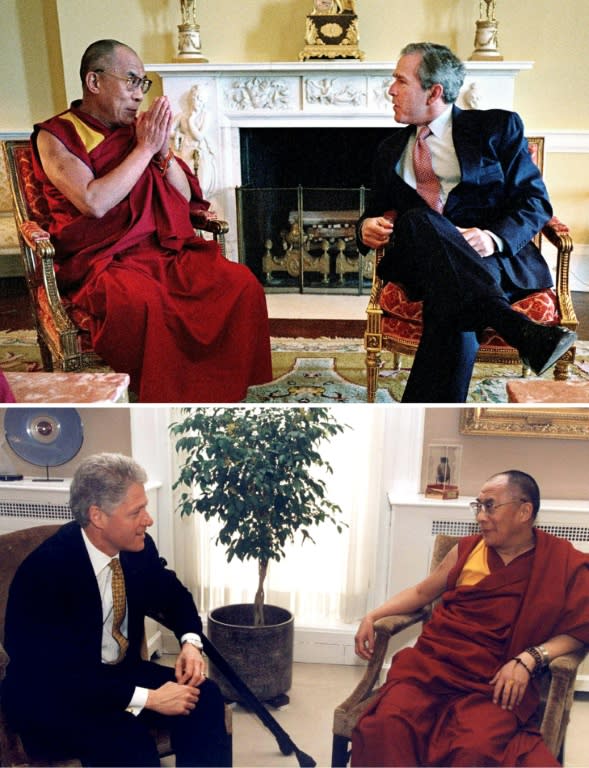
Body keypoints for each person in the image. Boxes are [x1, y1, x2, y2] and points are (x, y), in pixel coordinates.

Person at [31, 39, 272, 402]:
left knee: (239, 283)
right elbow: (93, 202)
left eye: (143, 84)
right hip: (105, 261)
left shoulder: (138, 133)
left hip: (162, 250)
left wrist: (162, 154)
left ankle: (220, 393)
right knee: (143, 303)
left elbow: (186, 198)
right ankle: (162, 399)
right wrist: (144, 149)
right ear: (94, 82)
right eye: (131, 81)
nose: (138, 95)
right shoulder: (57, 135)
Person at [357, 42, 576, 402]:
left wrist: (492, 238)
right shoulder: (388, 150)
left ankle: (424, 423)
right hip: (419, 262)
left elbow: (535, 203)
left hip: (490, 260)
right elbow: (375, 211)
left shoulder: (496, 127)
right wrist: (365, 227)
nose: (390, 90)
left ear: (434, 92)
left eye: (400, 81)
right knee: (417, 220)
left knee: (453, 305)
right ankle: (521, 331)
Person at [2, 453, 232, 767]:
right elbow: (59, 675)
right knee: (127, 741)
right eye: (136, 511)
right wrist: (150, 698)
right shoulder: (46, 572)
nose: (147, 519)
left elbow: (173, 595)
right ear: (97, 516)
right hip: (53, 696)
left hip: (117, 674)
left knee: (204, 698)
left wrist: (190, 643)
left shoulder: (137, 549)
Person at [352, 469, 589, 767]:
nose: (480, 516)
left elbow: (580, 628)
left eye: (490, 506)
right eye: (478, 506)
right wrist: (372, 615)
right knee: (386, 726)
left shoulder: (559, 562)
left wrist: (529, 659)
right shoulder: (466, 551)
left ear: (524, 511)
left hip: (494, 684)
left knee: (474, 749)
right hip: (431, 669)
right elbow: (421, 592)